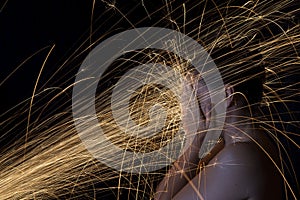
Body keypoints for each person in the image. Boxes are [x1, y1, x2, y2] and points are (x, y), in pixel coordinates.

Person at [154, 47, 283, 200]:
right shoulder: (239, 145)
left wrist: (194, 138)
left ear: (226, 95)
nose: (189, 105)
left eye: (195, 92)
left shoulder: (237, 158)